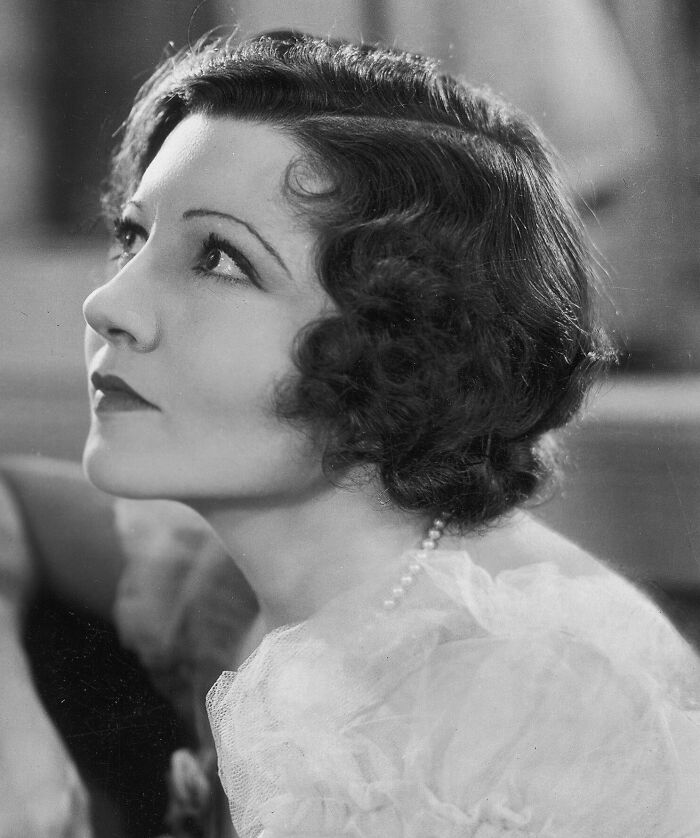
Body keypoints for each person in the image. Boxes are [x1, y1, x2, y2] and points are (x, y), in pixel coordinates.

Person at [2, 28, 700, 838]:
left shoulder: (520, 714)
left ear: (403, 336)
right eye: (133, 237)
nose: (108, 304)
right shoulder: (238, 580)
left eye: (220, 258)